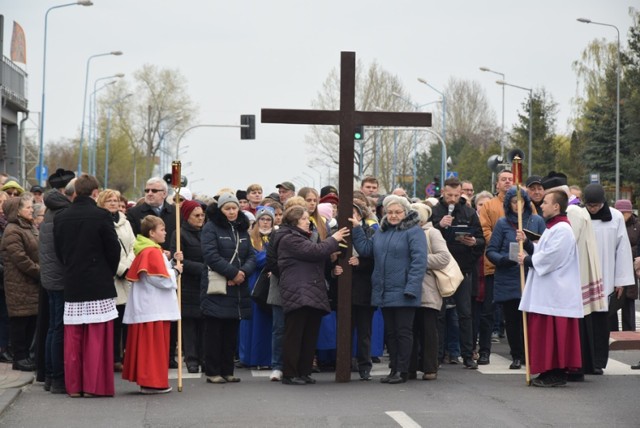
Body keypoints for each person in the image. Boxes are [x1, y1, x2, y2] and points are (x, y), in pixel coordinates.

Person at [53, 174, 120, 397]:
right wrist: (108, 272)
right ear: (95, 193)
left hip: (73, 279)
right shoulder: (101, 216)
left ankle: (74, 386)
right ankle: (94, 386)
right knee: (96, 337)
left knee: (73, 338)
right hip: (98, 281)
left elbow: (59, 250)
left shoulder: (61, 217)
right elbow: (113, 249)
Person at [351, 195, 427, 384]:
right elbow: (367, 250)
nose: (393, 216)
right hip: (384, 290)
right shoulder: (382, 232)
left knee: (403, 332)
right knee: (391, 333)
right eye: (390, 212)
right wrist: (357, 229)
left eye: (397, 212)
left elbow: (419, 262)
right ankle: (394, 368)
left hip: (404, 291)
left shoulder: (414, 232)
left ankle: (403, 370)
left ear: (405, 212)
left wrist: (412, 287)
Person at [517, 190, 583, 387]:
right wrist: (528, 244)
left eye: (545, 202)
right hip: (548, 292)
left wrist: (528, 260)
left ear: (556, 206)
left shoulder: (563, 229)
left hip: (556, 293)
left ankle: (556, 372)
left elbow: (553, 257)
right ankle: (548, 371)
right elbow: (544, 251)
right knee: (546, 335)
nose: (542, 205)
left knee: (553, 336)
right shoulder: (553, 227)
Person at [278, 205, 349, 385]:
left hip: (310, 291)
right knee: (295, 335)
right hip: (298, 291)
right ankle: (290, 373)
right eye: (303, 219)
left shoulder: (302, 237)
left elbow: (317, 254)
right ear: (294, 222)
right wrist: (334, 239)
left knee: (309, 335)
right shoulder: (289, 238)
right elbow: (314, 251)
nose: (307, 222)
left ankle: (304, 372)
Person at [485, 187, 545, 370]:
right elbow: (491, 250)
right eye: (513, 202)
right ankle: (517, 355)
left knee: (530, 319)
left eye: (520, 201)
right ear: (508, 204)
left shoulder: (536, 221)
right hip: (509, 277)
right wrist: (503, 260)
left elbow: (544, 247)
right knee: (512, 319)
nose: (517, 205)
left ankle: (530, 353)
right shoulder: (503, 224)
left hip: (530, 277)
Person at [201, 193, 256, 384]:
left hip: (237, 287)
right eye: (227, 208)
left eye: (234, 208)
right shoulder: (211, 228)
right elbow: (210, 255)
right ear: (221, 210)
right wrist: (232, 273)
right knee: (215, 331)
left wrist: (243, 273)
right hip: (217, 285)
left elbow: (251, 255)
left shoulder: (242, 229)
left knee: (231, 331)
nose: (232, 212)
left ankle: (228, 370)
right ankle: (213, 371)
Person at [122, 216, 182, 394]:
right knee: (153, 348)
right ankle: (152, 382)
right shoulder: (152, 252)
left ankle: (150, 380)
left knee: (150, 347)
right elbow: (159, 279)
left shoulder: (150, 250)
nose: (165, 232)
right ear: (151, 233)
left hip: (150, 306)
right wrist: (176, 272)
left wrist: (171, 264)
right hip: (154, 308)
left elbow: (156, 272)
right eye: (162, 229)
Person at [431, 178, 485, 369]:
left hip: (463, 269)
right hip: (441, 270)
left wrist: (474, 243)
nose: (453, 199)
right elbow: (426, 236)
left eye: (456, 195)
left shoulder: (469, 212)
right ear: (443, 193)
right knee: (439, 314)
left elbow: (481, 239)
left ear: (461, 193)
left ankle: (468, 355)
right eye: (449, 195)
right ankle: (436, 356)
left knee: (465, 314)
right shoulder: (434, 211)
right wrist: (439, 225)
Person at [125, 177, 177, 367]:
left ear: (164, 193)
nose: (149, 193)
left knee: (168, 321)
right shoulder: (135, 213)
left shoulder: (173, 213)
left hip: (166, 259)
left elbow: (176, 236)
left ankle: (170, 354)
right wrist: (175, 271)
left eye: (154, 190)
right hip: (154, 271)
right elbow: (134, 242)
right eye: (147, 190)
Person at [582, 184, 634, 374]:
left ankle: (598, 362)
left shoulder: (615, 217)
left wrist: (620, 280)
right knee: (585, 320)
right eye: (590, 205)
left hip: (607, 274)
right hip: (585, 275)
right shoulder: (581, 216)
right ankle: (585, 360)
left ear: (603, 202)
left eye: (596, 205)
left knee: (602, 322)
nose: (593, 209)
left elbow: (622, 249)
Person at [39, 176, 75, 394]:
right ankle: (57, 378)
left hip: (50, 277)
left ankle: (51, 376)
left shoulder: (51, 212)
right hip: (60, 277)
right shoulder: (62, 213)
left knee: (53, 327)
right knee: (58, 328)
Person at [97, 189, 135, 373]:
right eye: (109, 200)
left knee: (124, 318)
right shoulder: (99, 221)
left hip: (126, 275)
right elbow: (103, 249)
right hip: (111, 275)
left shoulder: (125, 222)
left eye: (116, 200)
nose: (113, 203)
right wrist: (120, 268)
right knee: (112, 321)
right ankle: (112, 357)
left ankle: (123, 355)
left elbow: (133, 246)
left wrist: (128, 266)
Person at [0, 193, 39, 372]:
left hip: (31, 282)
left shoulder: (29, 227)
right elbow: (20, 259)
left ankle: (26, 356)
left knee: (30, 319)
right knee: (20, 321)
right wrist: (39, 271)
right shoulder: (12, 230)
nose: (32, 210)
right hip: (19, 282)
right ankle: (20, 357)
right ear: (17, 211)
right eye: (28, 207)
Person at [409, 203, 445, 380]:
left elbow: (443, 257)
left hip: (428, 289)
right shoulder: (404, 232)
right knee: (410, 330)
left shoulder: (432, 233)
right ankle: (410, 367)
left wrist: (418, 258)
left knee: (428, 330)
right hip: (408, 290)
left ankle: (430, 367)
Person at [170, 199, 206, 373]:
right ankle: (191, 359)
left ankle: (204, 357)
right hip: (187, 284)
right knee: (189, 324)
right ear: (187, 216)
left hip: (206, 285)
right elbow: (178, 263)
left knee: (205, 324)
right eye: (196, 215)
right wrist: (200, 268)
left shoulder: (207, 233)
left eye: (202, 215)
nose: (200, 218)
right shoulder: (179, 234)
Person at [238, 207, 275, 369]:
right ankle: (248, 358)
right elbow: (253, 259)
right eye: (262, 219)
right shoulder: (249, 238)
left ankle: (266, 359)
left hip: (270, 283)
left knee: (267, 322)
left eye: (269, 220)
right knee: (250, 321)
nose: (265, 223)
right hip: (253, 283)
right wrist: (272, 256)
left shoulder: (276, 237)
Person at [347, 200, 376, 380]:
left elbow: (374, 256)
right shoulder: (337, 232)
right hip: (345, 290)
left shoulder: (370, 232)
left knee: (364, 331)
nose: (351, 217)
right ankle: (345, 361)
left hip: (365, 289)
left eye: (354, 213)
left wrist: (361, 263)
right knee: (345, 329)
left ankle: (365, 365)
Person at [609, 199, 639, 331]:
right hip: (614, 266)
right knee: (613, 300)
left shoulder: (637, 225)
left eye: (624, 213)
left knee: (629, 300)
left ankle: (630, 331)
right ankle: (612, 330)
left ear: (630, 212)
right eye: (619, 212)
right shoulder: (612, 223)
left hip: (631, 267)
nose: (621, 215)